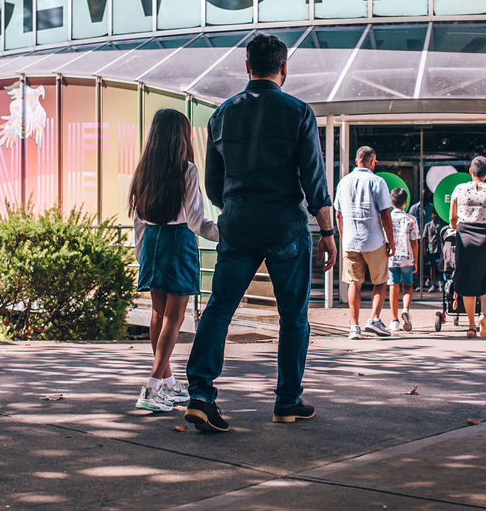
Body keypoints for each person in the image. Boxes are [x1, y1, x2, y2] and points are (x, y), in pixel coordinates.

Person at [185, 33, 336, 433]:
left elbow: (214, 186)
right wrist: (328, 232)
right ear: (284, 68)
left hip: (238, 225)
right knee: (293, 317)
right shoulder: (299, 112)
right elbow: (314, 180)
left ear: (247, 67)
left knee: (220, 309)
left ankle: (200, 395)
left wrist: (234, 207)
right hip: (285, 224)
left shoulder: (221, 115)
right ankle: (287, 401)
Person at [129, 108, 219, 412]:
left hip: (152, 244)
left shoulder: (144, 170)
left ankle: (167, 382)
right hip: (179, 242)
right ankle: (152, 387)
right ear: (180, 136)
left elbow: (138, 220)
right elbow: (196, 222)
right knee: (175, 318)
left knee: (158, 314)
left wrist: (142, 256)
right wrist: (223, 233)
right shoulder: (187, 169)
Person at [335, 146, 395, 340]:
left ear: (356, 161)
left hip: (351, 241)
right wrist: (391, 241)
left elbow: (338, 214)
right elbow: (386, 214)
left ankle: (354, 326)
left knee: (354, 284)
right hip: (374, 240)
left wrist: (344, 237)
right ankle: (374, 320)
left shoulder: (343, 182)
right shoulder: (377, 181)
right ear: (371, 161)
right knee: (381, 281)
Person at [449, 156, 486, 339]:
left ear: (471, 171)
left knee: (467, 279)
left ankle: (471, 326)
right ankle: (483, 315)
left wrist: (457, 229)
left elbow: (452, 218)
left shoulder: (459, 189)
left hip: (464, 235)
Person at [386, 187, 419, 333]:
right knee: (408, 286)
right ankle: (405, 309)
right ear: (405, 202)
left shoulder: (387, 218)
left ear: (391, 202)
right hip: (407, 257)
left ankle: (394, 321)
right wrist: (416, 260)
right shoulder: (411, 220)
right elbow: (414, 242)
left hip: (391, 257)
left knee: (393, 286)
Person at [421, 211, 445, 292]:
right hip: (431, 248)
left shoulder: (441, 225)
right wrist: (424, 250)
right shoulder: (428, 225)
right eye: (433, 214)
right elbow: (424, 238)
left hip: (439, 248)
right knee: (431, 266)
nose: (435, 216)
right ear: (431, 215)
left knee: (440, 266)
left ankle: (440, 283)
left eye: (436, 214)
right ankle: (432, 284)